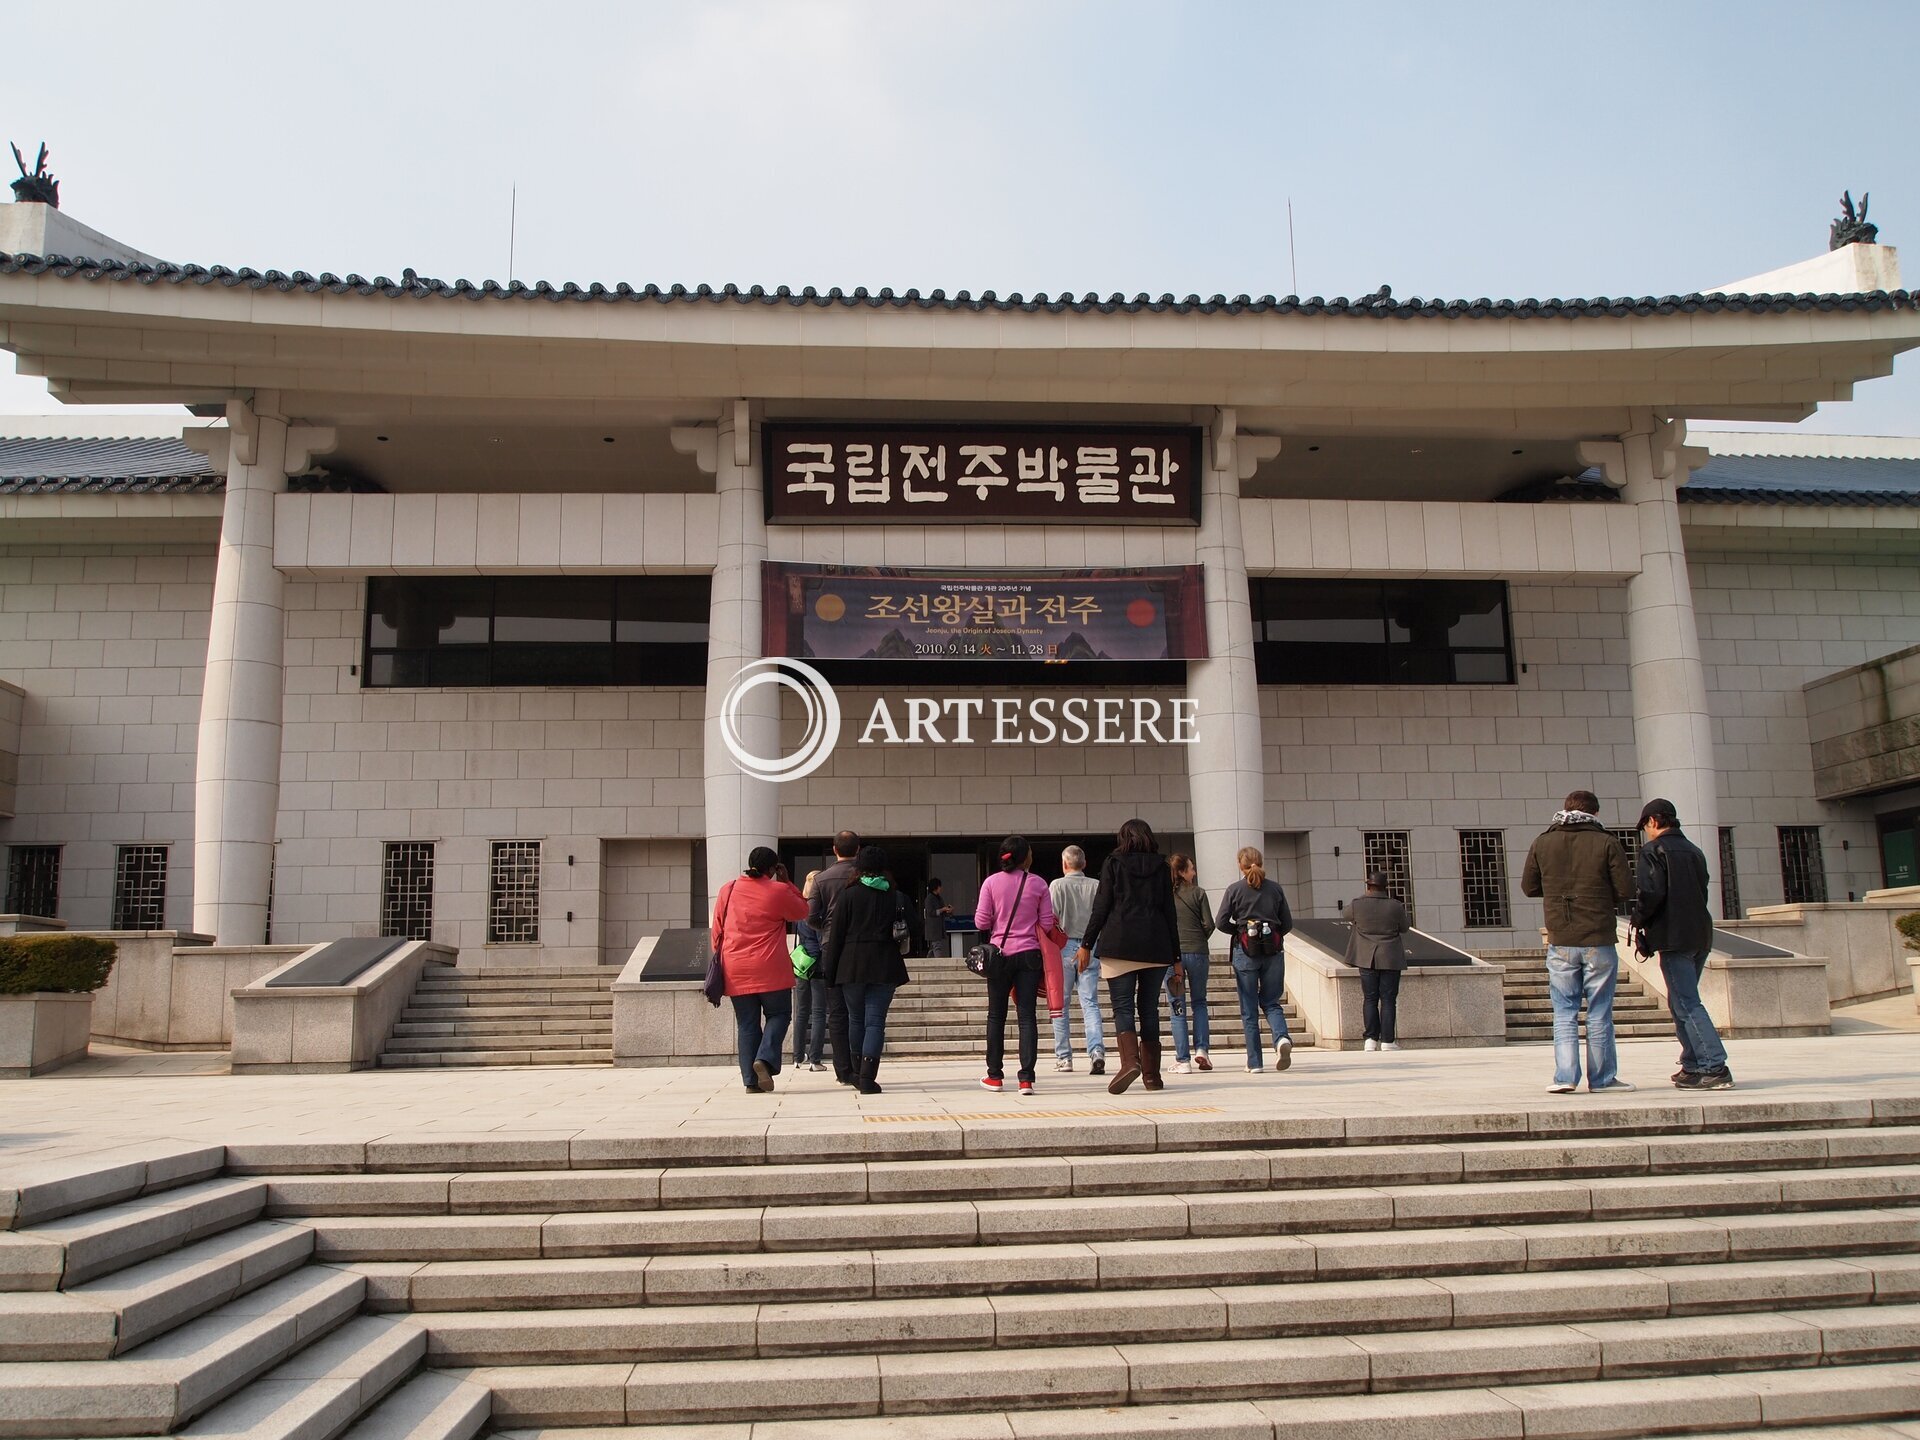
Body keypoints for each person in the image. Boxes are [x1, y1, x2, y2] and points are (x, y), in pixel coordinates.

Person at [1521, 789, 1635, 1095]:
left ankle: (1565, 1077)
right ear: (1595, 813)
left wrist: (1555, 891)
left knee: (1564, 1011)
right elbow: (1626, 889)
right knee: (1599, 1011)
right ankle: (1602, 1079)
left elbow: (1529, 887)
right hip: (1598, 936)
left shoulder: (1543, 842)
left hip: (1561, 937)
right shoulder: (1606, 842)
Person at [1635, 798, 1734, 1091]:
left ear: (1653, 821)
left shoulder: (1653, 850)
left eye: (1645, 825)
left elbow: (1651, 893)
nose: (1646, 831)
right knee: (1681, 1000)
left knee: (1686, 1002)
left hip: (1673, 936)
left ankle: (1714, 1065)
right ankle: (1693, 1063)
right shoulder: (1694, 851)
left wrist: (1638, 918)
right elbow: (1701, 890)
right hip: (1699, 933)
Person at [1080, 818, 1181, 1095]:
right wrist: (1176, 957)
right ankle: (1152, 1076)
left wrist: (1086, 943)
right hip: (1155, 945)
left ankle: (1130, 1063)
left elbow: (1101, 906)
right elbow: (1170, 913)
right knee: (1149, 1009)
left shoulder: (1114, 863)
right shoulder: (1162, 867)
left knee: (1123, 1007)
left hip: (1119, 943)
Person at [712, 847, 810, 1094]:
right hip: (770, 968)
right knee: (779, 1014)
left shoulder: (728, 889)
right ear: (773, 869)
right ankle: (764, 1059)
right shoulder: (778, 890)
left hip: (736, 968)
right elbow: (802, 911)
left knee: (747, 1024)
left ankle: (750, 1082)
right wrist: (787, 882)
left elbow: (717, 931)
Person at [820, 844, 912, 1095]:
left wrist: (830, 973)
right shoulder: (896, 896)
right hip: (885, 964)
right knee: (875, 1022)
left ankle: (857, 1073)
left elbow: (836, 937)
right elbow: (914, 927)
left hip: (851, 966)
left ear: (858, 866)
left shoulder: (848, 895)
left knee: (855, 1019)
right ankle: (869, 1077)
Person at [974, 835, 1058, 1096]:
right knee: (1027, 1016)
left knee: (995, 1016)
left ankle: (995, 1076)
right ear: (1025, 857)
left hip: (999, 956)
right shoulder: (1039, 884)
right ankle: (1026, 1080)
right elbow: (1047, 923)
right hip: (1030, 955)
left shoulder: (990, 883)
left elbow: (981, 922)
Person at [1215, 846, 1295, 1073]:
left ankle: (1255, 1062)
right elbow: (1287, 923)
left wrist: (1239, 931)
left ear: (1240, 866)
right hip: (1273, 951)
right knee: (1271, 1002)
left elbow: (1221, 922)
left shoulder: (1234, 889)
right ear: (1261, 862)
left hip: (1245, 950)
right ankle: (1281, 1038)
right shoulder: (1275, 889)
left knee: (1249, 1009)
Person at [806, 830, 862, 1086]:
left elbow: (810, 916)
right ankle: (860, 1065)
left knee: (837, 1010)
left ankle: (843, 1070)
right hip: (860, 945)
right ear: (858, 849)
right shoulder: (864, 876)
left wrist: (826, 928)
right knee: (859, 1009)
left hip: (831, 946)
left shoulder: (821, 879)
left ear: (834, 849)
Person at [1048, 845, 1106, 1074]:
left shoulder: (1057, 885)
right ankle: (1096, 1051)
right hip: (1090, 946)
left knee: (1060, 1003)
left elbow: (1050, 918)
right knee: (1090, 1002)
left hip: (1064, 946)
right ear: (1084, 863)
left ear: (1064, 864)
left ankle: (1064, 1057)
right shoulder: (1096, 886)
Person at [1345, 870, 1409, 1051]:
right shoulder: (1395, 905)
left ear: (1369, 886)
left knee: (1370, 998)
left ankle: (1370, 1039)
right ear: (1385, 887)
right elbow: (1404, 927)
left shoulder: (1358, 904)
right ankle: (1387, 1041)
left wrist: (1364, 898)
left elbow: (1346, 915)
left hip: (1366, 957)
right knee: (1388, 999)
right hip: (1390, 956)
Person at [1166, 853, 1215, 1073]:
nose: (1194, 873)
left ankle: (1183, 1059)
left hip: (1173, 955)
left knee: (1177, 1005)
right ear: (1183, 872)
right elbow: (1209, 924)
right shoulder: (1199, 893)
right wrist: (1200, 938)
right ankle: (1202, 1049)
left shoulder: (1165, 896)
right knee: (1200, 1002)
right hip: (1198, 952)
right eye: (1191, 868)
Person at [790, 870, 829, 1071]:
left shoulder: (800, 910)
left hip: (801, 964)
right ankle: (815, 1059)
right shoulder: (819, 911)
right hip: (818, 965)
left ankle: (798, 1057)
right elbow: (819, 942)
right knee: (819, 1012)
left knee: (801, 1012)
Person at [921, 878, 953, 958]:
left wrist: (948, 911)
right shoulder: (929, 899)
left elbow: (943, 911)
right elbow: (930, 912)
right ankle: (939, 962)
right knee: (937, 946)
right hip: (933, 928)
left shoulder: (939, 898)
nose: (940, 888)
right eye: (939, 886)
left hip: (938, 928)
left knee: (934, 947)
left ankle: (929, 960)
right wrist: (942, 909)